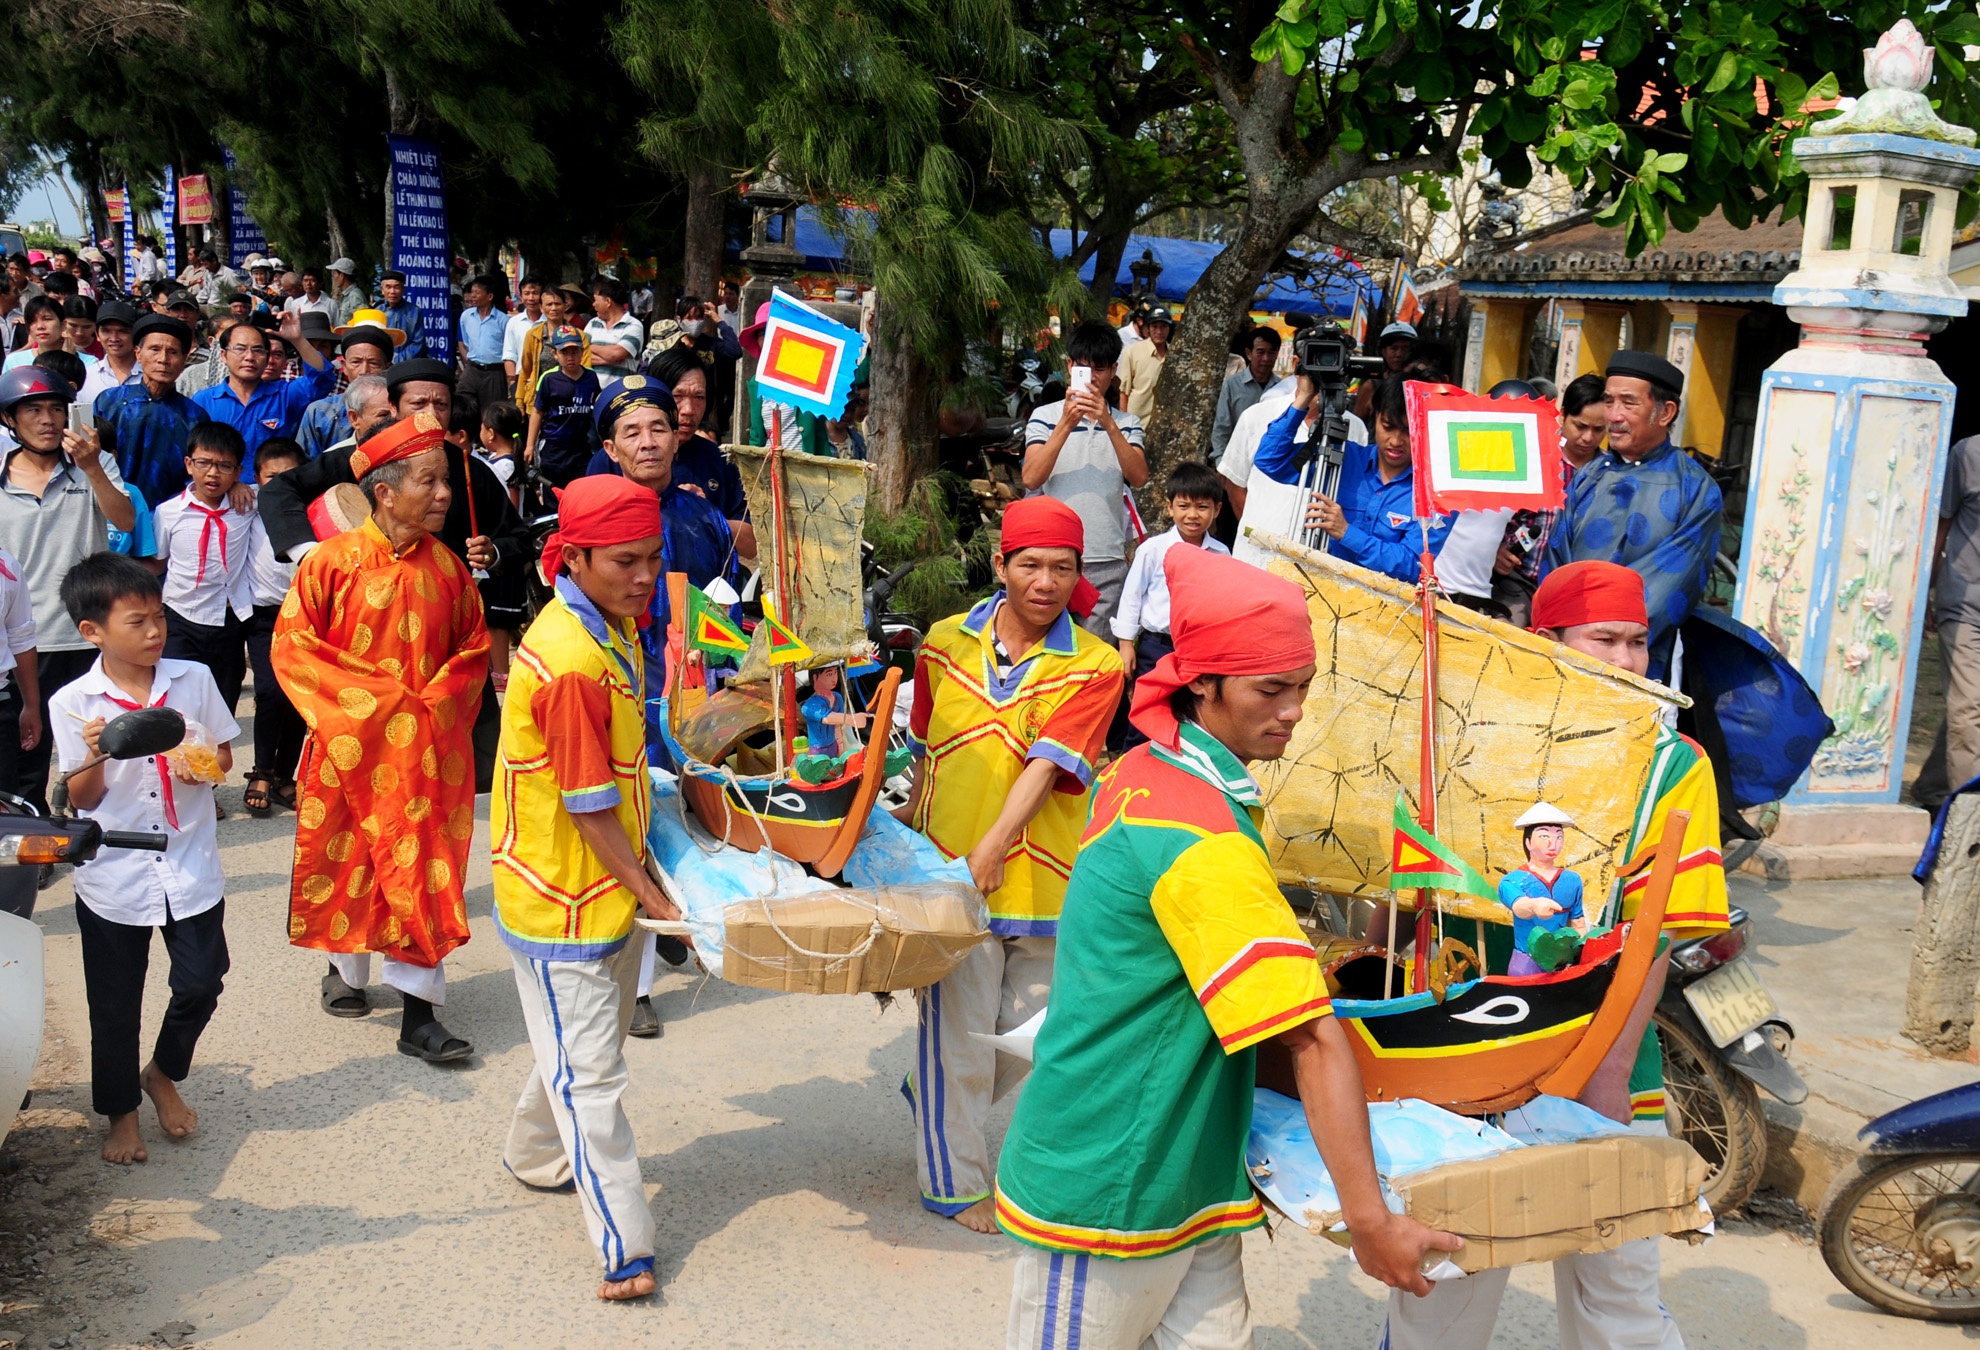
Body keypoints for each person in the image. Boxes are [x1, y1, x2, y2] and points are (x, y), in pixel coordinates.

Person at [995, 544, 1459, 1344]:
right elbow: (1312, 1037)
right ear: (1201, 685)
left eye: (1303, 686)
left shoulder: (1146, 768)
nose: (1294, 711)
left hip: (1189, 1172)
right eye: (1271, 690)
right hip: (1113, 1181)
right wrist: (1371, 1221)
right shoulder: (1198, 830)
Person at [1382, 558, 1728, 1350]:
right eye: (1604, 639)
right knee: (1444, 1293)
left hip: (1607, 1065)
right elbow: (1411, 885)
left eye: (1638, 641)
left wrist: (1608, 1072)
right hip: (1465, 1060)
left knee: (1619, 1296)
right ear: (1546, 642)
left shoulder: (1673, 764)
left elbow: (1654, 934)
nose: (1628, 660)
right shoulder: (1472, 737)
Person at [895, 496, 1126, 1230]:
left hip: (1045, 874)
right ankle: (955, 1184)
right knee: (961, 1037)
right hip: (949, 867)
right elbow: (925, 749)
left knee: (1033, 1036)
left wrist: (993, 847)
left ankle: (933, 1092)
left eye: (1063, 568)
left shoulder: (1095, 664)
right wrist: (905, 828)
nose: (1046, 582)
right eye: (1030, 565)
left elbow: (1046, 766)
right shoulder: (941, 644)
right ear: (1001, 565)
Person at [492, 475, 676, 1302]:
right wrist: (654, 893)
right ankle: (624, 1246)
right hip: (563, 894)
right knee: (592, 1076)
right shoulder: (572, 660)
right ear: (574, 558)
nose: (644, 577)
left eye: (652, 558)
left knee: (574, 1049)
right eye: (625, 561)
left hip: (597, 885)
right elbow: (588, 803)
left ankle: (534, 1155)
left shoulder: (611, 628)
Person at [273, 413, 491, 1063]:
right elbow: (294, 648)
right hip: (348, 746)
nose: (444, 493)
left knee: (422, 868)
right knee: (352, 859)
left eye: (446, 480)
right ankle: (345, 970)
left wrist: (430, 709)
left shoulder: (449, 570)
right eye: (430, 481)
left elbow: (473, 650)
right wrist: (379, 706)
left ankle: (419, 1014)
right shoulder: (328, 563)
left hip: (423, 755)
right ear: (386, 492)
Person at [257, 358, 525, 791]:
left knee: (450, 779)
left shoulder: (468, 469)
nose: (430, 414)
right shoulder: (367, 461)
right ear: (394, 407)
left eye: (441, 404)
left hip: (441, 645)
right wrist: (312, 553)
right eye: (418, 403)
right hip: (365, 667)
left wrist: (493, 552)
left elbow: (517, 540)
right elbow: (279, 491)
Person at [51, 553, 239, 1166]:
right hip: (116, 873)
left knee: (202, 981)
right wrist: (96, 752)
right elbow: (84, 800)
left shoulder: (193, 678)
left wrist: (203, 766)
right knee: (114, 1003)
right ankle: (121, 1115)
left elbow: (224, 758)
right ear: (93, 631)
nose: (155, 631)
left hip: (189, 861)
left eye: (159, 617)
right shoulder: (74, 701)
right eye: (137, 622)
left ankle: (162, 1072)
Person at [0, 365, 137, 812]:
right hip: (24, 640)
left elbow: (125, 520)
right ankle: (33, 833)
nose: (47, 420)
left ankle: (94, 829)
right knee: (28, 753)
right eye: (33, 410)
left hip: (88, 632)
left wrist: (92, 466)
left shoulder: (95, 464)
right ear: (9, 419)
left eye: (56, 409)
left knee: (98, 743)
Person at [1543, 351, 1722, 680]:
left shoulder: (1695, 489)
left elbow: (1669, 587)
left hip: (1638, 662)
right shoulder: (1588, 475)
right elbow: (1556, 563)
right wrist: (1566, 637)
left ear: (1665, 412)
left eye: (1628, 403)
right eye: (1609, 401)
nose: (1614, 416)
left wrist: (1603, 642)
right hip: (1568, 655)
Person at [1254, 373, 1453, 584]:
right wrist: (1304, 398)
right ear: (1375, 417)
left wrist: (1347, 532)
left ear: (1426, 428)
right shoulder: (1342, 458)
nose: (1395, 441)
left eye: (1407, 431)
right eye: (1387, 426)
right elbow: (1270, 460)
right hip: (1319, 590)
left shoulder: (1438, 492)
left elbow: (1413, 566)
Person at [1020, 320, 1148, 636]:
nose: (1091, 377)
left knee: (1097, 653)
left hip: (1106, 557)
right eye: (1082, 368)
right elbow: (1031, 477)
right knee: (1045, 648)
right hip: (1052, 556)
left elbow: (1139, 476)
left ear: (1114, 370)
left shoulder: (1127, 422)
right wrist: (1066, 423)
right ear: (1069, 367)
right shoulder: (1045, 417)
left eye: (1099, 369)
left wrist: (1108, 422)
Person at [154, 422, 262, 712]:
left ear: (238, 471)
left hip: (230, 619)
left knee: (223, 700)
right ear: (189, 464)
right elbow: (158, 562)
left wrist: (241, 486)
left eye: (224, 466)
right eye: (204, 463)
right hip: (181, 616)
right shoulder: (168, 512)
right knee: (179, 700)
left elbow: (283, 486)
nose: (213, 473)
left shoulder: (247, 503)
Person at [1494, 371, 1607, 625]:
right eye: (1581, 426)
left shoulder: (1609, 475)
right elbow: (1492, 510)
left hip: (1575, 592)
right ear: (1563, 415)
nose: (1588, 437)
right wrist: (1495, 550)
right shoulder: (1534, 456)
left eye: (1599, 429)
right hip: (1518, 579)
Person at [1111, 461, 1227, 696]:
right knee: (1150, 701)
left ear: (1217, 509)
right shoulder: (1153, 549)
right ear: (1169, 507)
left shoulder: (1221, 553)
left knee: (1189, 705)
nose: (1192, 515)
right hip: (1156, 645)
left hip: (1199, 647)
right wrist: (1125, 644)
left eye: (1202, 507)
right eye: (1184, 506)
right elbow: (1132, 596)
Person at [243, 439, 308, 816]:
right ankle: (262, 772)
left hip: (306, 617)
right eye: (272, 477)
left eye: (290, 475)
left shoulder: (313, 509)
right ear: (257, 478)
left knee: (299, 696)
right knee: (269, 692)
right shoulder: (247, 505)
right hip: (263, 617)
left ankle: (285, 776)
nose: (281, 483)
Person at [188, 310, 337, 472]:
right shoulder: (204, 401)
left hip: (275, 484)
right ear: (223, 355)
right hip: (222, 484)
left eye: (258, 350)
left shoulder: (285, 395)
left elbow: (322, 379)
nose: (249, 357)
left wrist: (298, 340)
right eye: (240, 349)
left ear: (266, 357)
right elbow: (194, 452)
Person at [94, 314, 210, 508]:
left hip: (169, 513)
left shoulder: (194, 416)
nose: (163, 359)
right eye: (155, 349)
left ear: (184, 359)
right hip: (110, 509)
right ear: (138, 353)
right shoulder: (109, 401)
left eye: (173, 352)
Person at [1498, 802, 1587, 976]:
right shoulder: (1512, 881)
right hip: (1527, 964)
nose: (1553, 844)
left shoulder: (1572, 880)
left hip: (1564, 963)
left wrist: (1582, 951)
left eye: (1559, 837)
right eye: (1544, 836)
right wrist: (1534, 905)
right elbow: (1519, 906)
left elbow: (1578, 922)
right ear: (1528, 842)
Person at [298, 323, 394, 457]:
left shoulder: (397, 411)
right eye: (356, 362)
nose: (364, 371)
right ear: (344, 366)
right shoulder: (318, 413)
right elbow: (305, 465)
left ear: (387, 368)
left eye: (373, 363)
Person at [525, 328, 601, 486]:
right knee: (553, 490)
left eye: (574, 352)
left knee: (580, 489)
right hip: (553, 447)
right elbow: (537, 412)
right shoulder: (549, 379)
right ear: (555, 354)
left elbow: (597, 406)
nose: (570, 358)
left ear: (582, 352)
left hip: (580, 448)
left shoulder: (591, 377)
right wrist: (530, 445)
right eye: (564, 353)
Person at [1209, 326, 1281, 464]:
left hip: (1269, 463)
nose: (1266, 358)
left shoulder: (1283, 389)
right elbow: (1221, 428)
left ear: (1277, 354)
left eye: (1271, 352)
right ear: (1248, 353)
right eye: (1260, 352)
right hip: (1236, 462)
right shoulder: (1231, 386)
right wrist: (1221, 462)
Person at [515, 285, 587, 419]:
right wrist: (519, 401)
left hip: (569, 402)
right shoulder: (533, 335)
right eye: (549, 304)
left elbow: (585, 368)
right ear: (541, 308)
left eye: (557, 304)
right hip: (538, 401)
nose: (553, 308)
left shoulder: (579, 336)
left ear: (565, 306)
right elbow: (525, 370)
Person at [457, 272, 509, 409]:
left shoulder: (503, 320)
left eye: (477, 293)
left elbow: (508, 347)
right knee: (463, 406)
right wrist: (467, 359)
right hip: (472, 369)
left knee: (492, 410)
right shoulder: (466, 316)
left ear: (490, 296)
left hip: (494, 372)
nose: (473, 296)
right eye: (472, 292)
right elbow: (464, 341)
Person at [77, 298, 139, 406]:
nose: (114, 338)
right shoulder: (86, 377)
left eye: (122, 331)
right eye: (106, 331)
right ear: (97, 335)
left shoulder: (151, 374)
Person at [800, 664, 867, 759]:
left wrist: (840, 742)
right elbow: (827, 718)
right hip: (818, 749)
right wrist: (851, 719)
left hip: (834, 744)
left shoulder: (837, 697)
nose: (834, 678)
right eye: (829, 674)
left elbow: (837, 725)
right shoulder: (810, 705)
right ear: (815, 677)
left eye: (835, 673)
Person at [1116, 305, 1171, 420]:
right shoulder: (1132, 353)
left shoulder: (1175, 355)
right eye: (1155, 327)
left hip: (1164, 423)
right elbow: (1123, 393)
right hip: (1137, 423)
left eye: (1163, 327)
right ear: (1148, 328)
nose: (1159, 331)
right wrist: (1124, 423)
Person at [585, 275, 644, 381]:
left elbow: (617, 353)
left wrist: (591, 347)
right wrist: (609, 359)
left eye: (595, 300)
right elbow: (580, 355)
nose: (593, 304)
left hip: (622, 390)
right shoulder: (593, 323)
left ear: (608, 301)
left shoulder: (633, 325)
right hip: (592, 389)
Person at [502, 275, 546, 392]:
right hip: (521, 381)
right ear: (521, 296)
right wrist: (513, 383)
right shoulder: (514, 322)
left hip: (547, 381)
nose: (531, 298)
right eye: (526, 294)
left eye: (535, 293)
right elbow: (509, 354)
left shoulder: (550, 321)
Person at [377, 270, 429, 362]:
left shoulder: (415, 311)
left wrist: (397, 361)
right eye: (388, 287)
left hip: (408, 363)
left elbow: (418, 342)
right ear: (382, 290)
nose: (392, 291)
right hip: (383, 362)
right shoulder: (378, 311)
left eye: (397, 287)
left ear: (403, 289)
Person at [326, 258, 368, 327]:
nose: (334, 277)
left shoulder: (355, 296)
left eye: (335, 273)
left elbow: (362, 322)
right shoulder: (347, 295)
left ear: (342, 276)